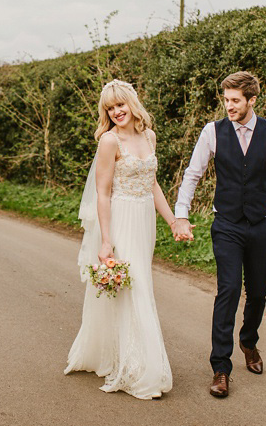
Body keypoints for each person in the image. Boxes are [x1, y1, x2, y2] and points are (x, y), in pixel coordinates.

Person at [64, 79, 188, 400]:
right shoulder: (109, 141)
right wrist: (106, 241)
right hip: (119, 218)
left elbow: (153, 184)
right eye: (110, 107)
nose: (116, 111)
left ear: (132, 104)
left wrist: (172, 220)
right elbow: (102, 194)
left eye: (120, 104)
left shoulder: (150, 136)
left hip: (145, 219)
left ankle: (124, 355)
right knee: (137, 289)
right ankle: (142, 368)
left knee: (139, 284)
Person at [172, 71, 266, 398]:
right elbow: (193, 174)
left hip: (262, 225)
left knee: (259, 293)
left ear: (252, 100)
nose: (229, 106)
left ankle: (249, 342)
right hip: (227, 225)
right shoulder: (213, 131)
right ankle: (221, 367)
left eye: (235, 100)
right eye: (226, 100)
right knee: (229, 290)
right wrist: (182, 213)